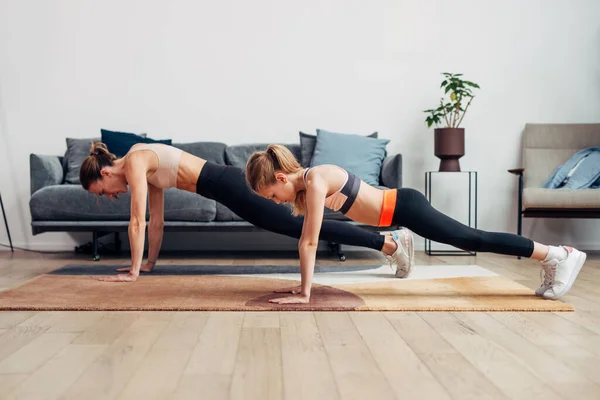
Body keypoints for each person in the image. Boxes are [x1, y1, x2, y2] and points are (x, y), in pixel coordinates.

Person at [245, 144, 587, 304]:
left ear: (280, 177)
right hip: (395, 214)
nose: (277, 202)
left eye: (273, 195)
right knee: (471, 237)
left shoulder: (316, 180)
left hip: (404, 207)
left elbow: (308, 241)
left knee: (473, 238)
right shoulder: (307, 186)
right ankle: (397, 244)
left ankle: (558, 254)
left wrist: (305, 293)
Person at [78, 142, 416, 283]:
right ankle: (387, 242)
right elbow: (156, 221)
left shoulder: (136, 161)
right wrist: (148, 264)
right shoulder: (141, 161)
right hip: (224, 187)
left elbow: (136, 220)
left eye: (102, 193)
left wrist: (134, 273)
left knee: (302, 229)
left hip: (227, 184)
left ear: (105, 173)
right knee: (301, 229)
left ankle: (389, 242)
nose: (109, 197)